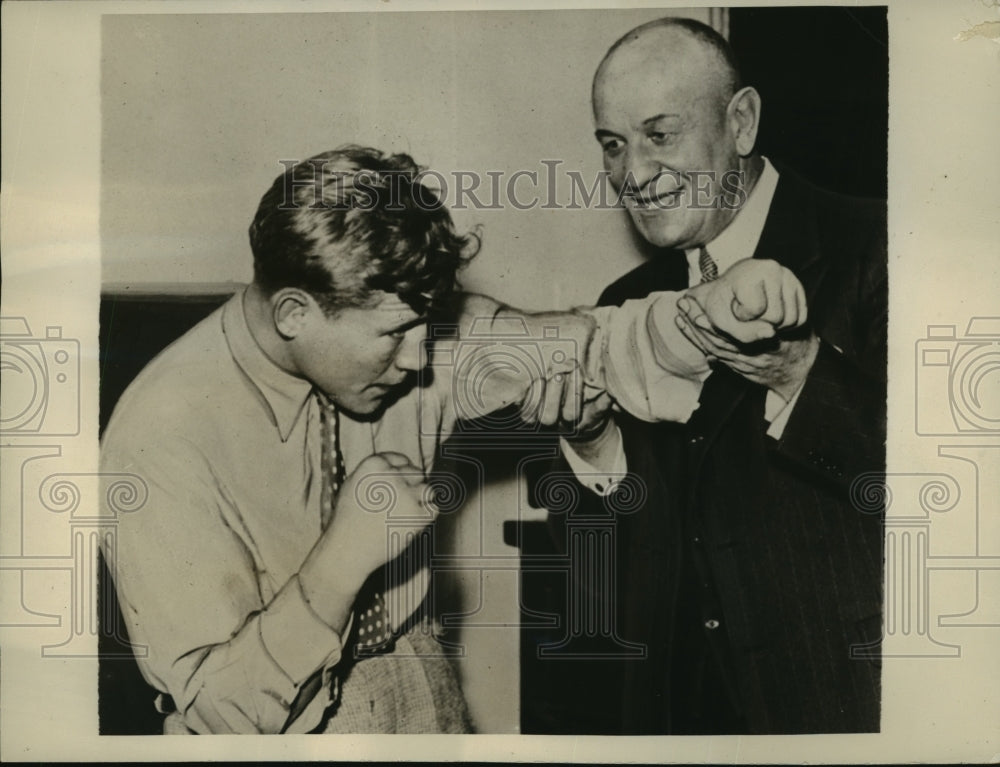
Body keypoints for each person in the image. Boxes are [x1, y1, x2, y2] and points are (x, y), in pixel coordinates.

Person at [100, 144, 809, 734]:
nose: (419, 360)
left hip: (423, 686)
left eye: (426, 327)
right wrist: (339, 564)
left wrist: (710, 311)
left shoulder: (410, 335)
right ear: (294, 312)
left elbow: (583, 342)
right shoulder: (160, 438)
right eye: (394, 336)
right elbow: (218, 712)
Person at [553, 17, 887, 734]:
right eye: (614, 145)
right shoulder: (625, 305)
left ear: (741, 122)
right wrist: (592, 444)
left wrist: (800, 374)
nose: (633, 175)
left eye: (659, 135)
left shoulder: (879, 246)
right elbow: (620, 556)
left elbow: (951, 494)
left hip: (843, 709)